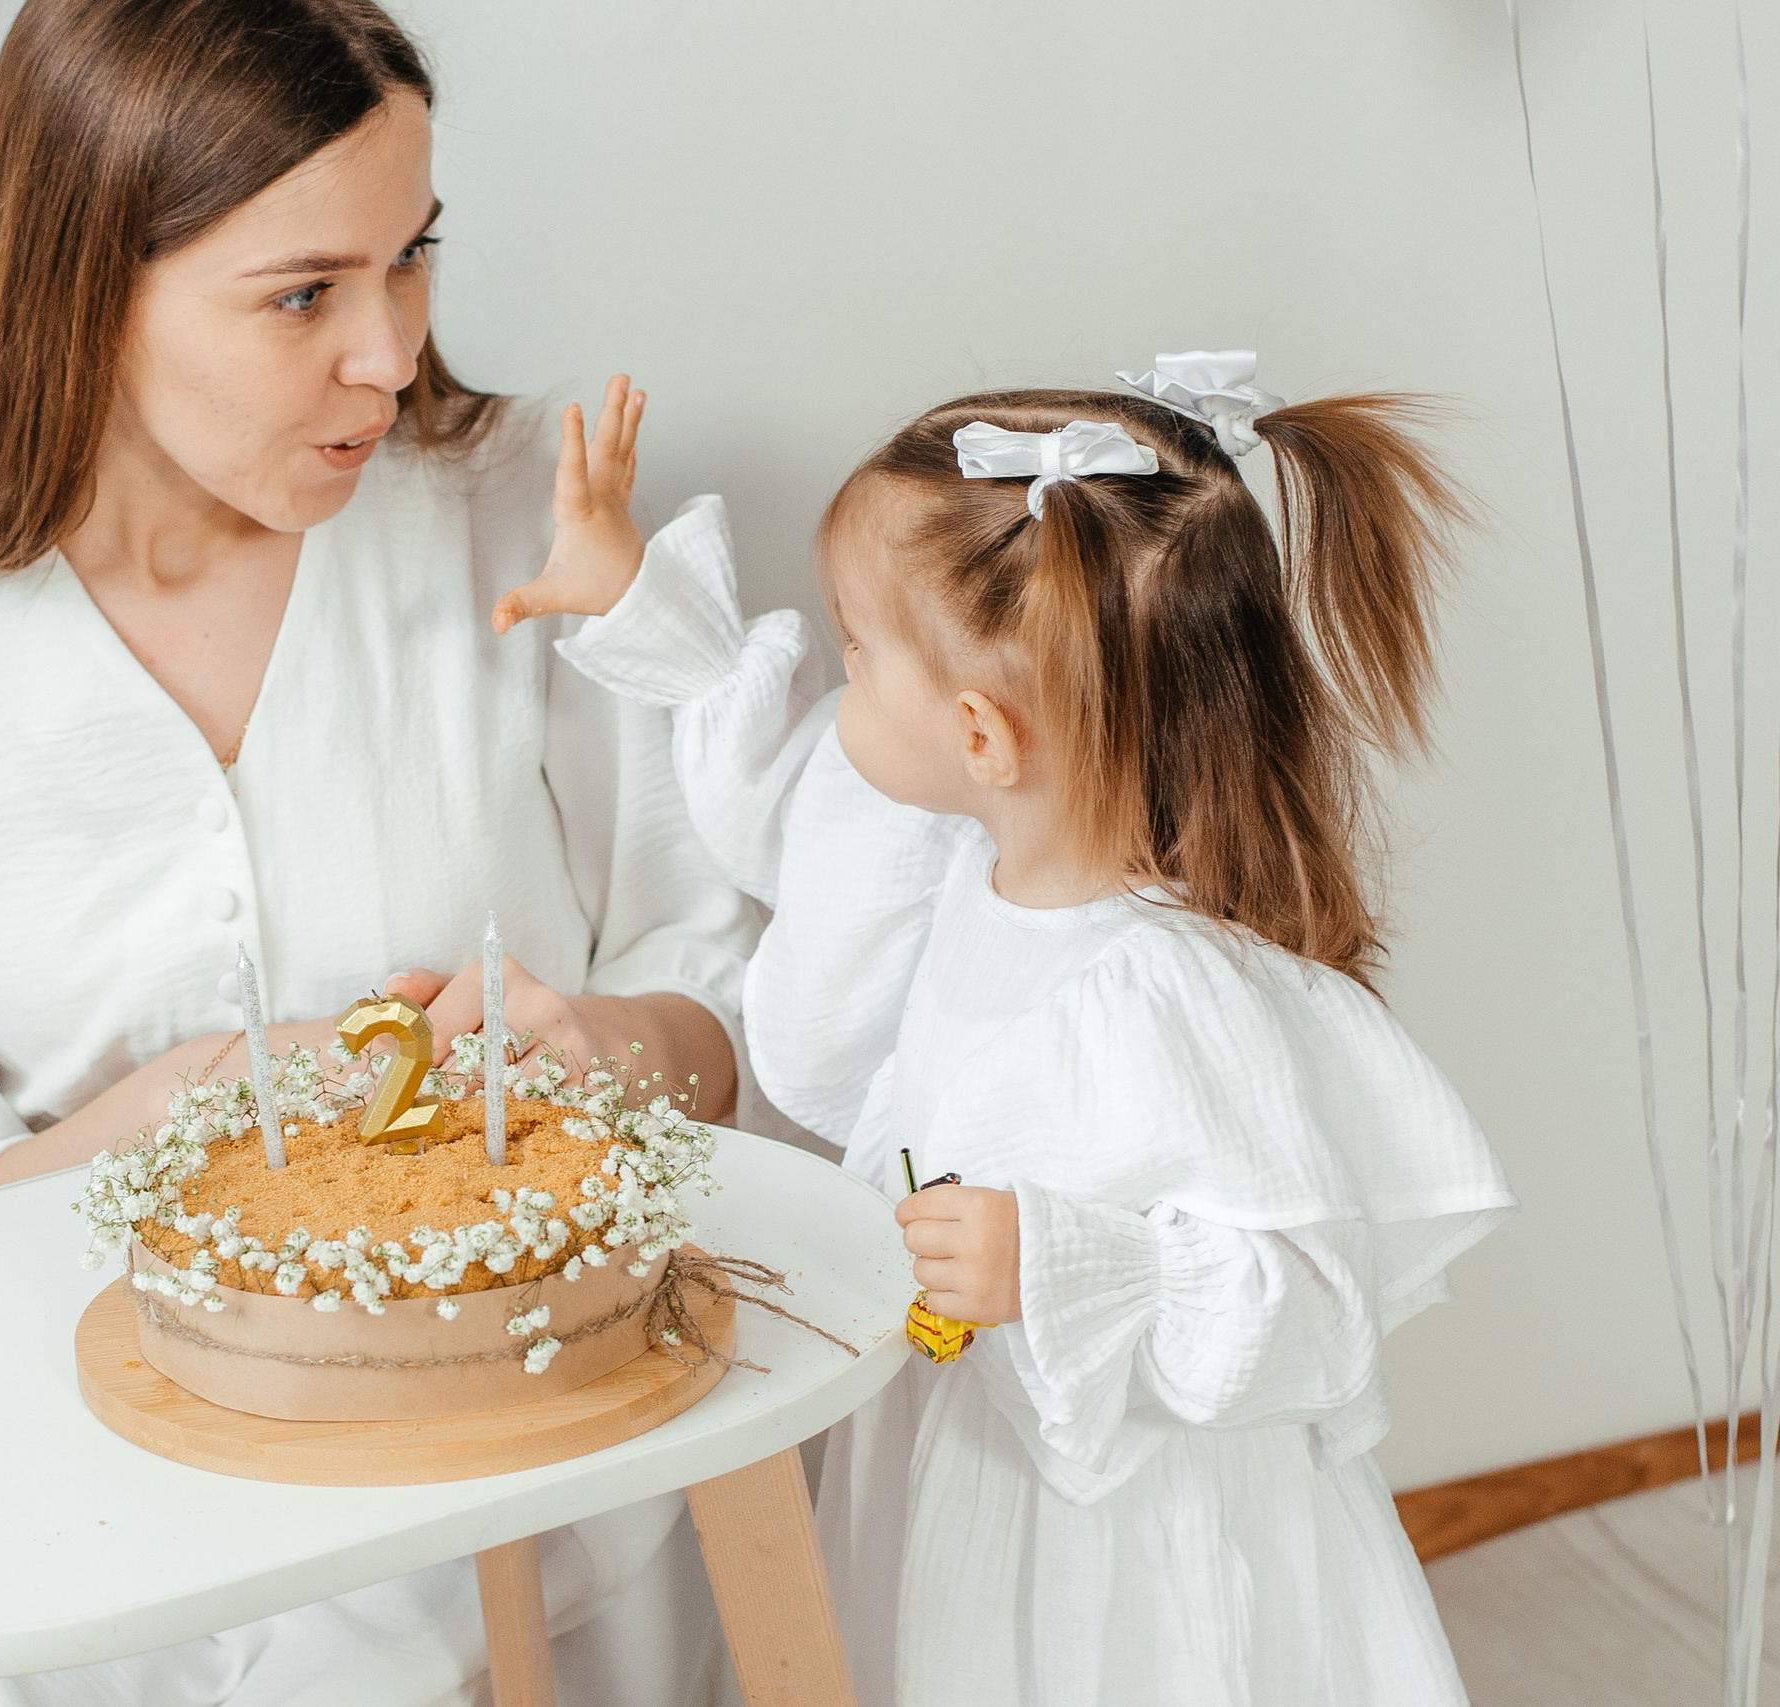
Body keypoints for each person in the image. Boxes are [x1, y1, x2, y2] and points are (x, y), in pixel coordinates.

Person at [0, 3, 755, 1702]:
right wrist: (164, 1121)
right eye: (303, 296)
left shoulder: (544, 518)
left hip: (545, 1560)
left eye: (412, 259)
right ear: (84, 282)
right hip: (99, 1586)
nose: (391, 353)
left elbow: (764, 1004)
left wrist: (616, 1048)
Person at [505, 354, 1519, 1702]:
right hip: (959, 1437)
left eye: (855, 655)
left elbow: (1309, 1306)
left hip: (1115, 1535)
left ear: (985, 734)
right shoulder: (954, 849)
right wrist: (642, 600)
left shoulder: (1163, 991)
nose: (839, 684)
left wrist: (1063, 1265)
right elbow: (803, 807)